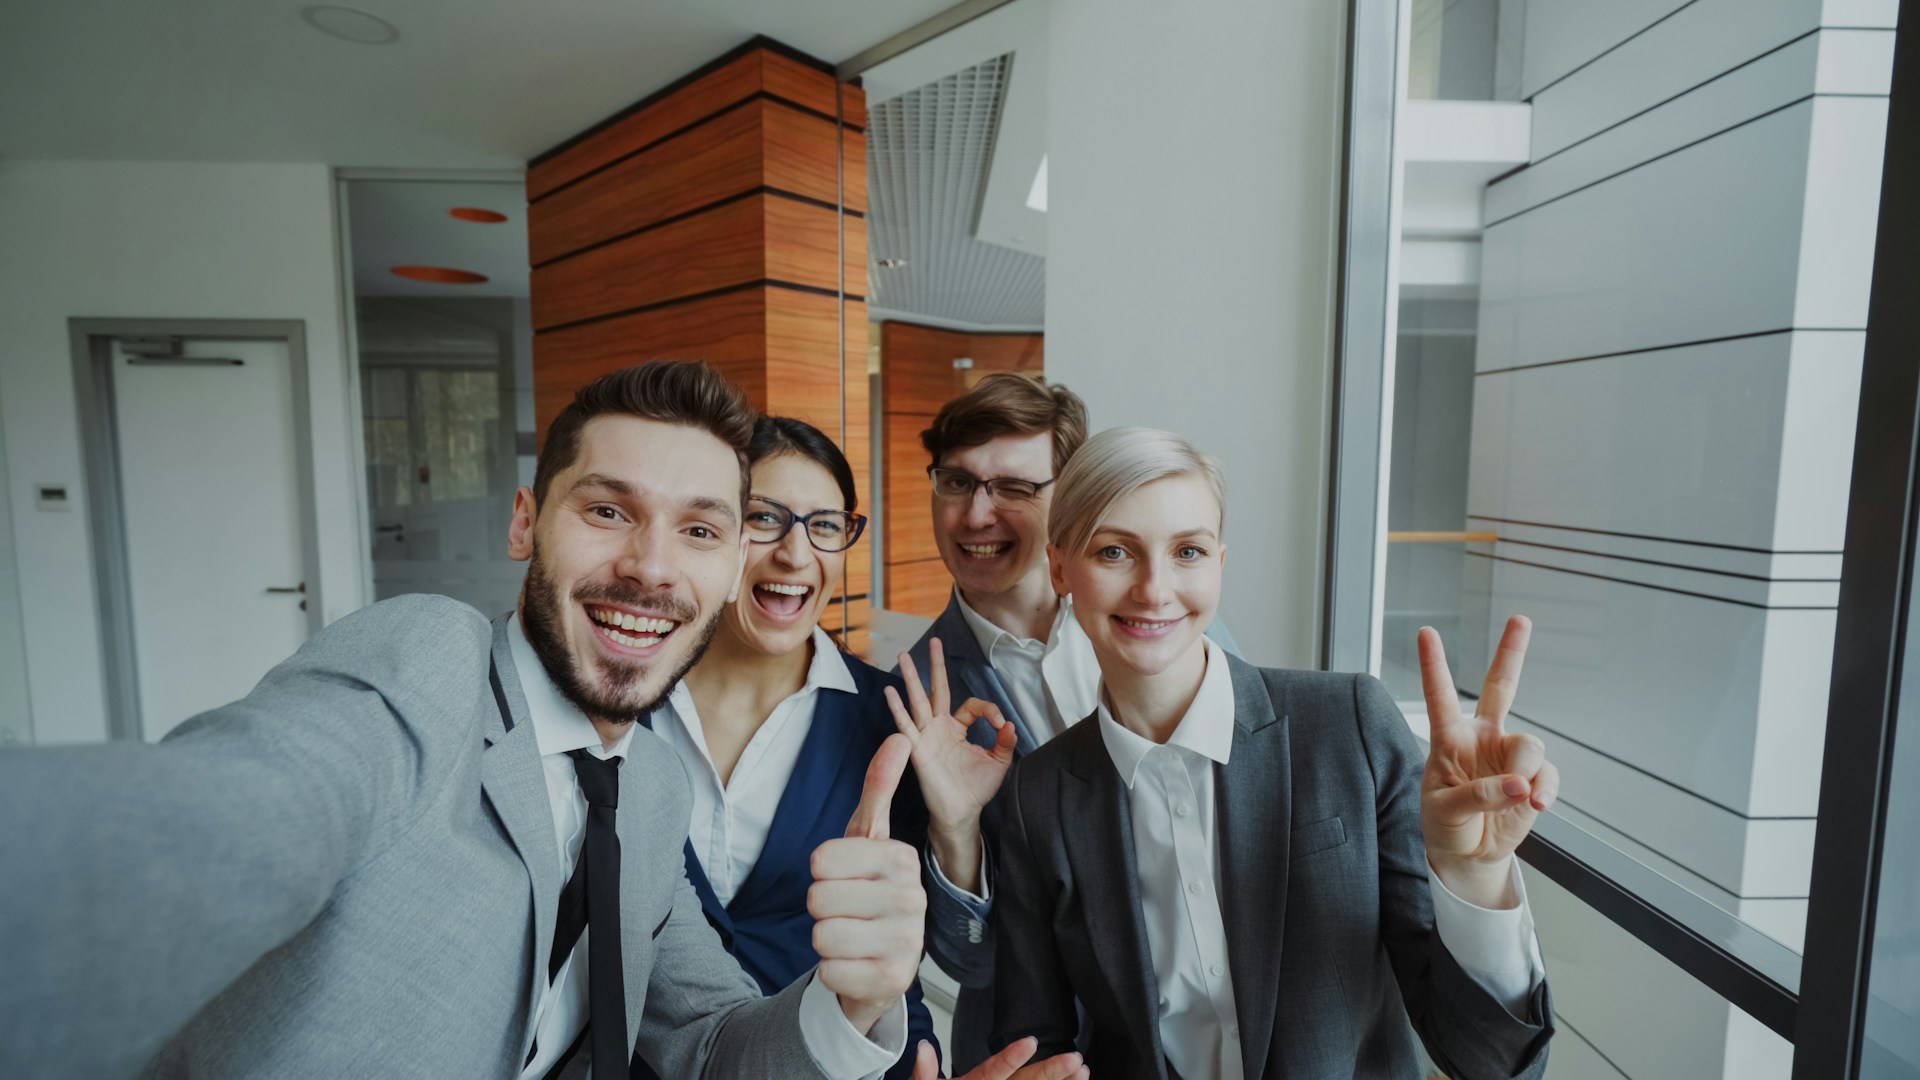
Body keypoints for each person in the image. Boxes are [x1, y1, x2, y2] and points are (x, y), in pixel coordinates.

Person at [0, 362, 1057, 1080]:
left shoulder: (644, 792)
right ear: (525, 520)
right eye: (608, 511)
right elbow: (234, 816)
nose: (649, 565)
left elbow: (704, 1043)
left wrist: (853, 1005)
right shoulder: (428, 666)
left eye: (697, 528)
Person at [983, 426, 1558, 1079]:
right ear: (1060, 569)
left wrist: (1474, 875)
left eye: (1188, 551)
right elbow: (1033, 1042)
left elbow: (1495, 1063)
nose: (1154, 589)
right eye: (1115, 552)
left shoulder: (1350, 726)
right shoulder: (1039, 794)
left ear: (1219, 565)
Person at [641, 416, 1064, 1080]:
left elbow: (967, 957)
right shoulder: (622, 705)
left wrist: (957, 830)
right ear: (711, 530)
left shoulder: (894, 714)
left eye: (826, 525)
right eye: (764, 518)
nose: (795, 552)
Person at [897, 374, 1237, 1068]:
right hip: (1042, 1048)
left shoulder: (1169, 622)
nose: (975, 515)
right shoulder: (914, 692)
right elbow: (967, 958)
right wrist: (957, 832)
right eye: (957, 483)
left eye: (1015, 489)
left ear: (1068, 501)